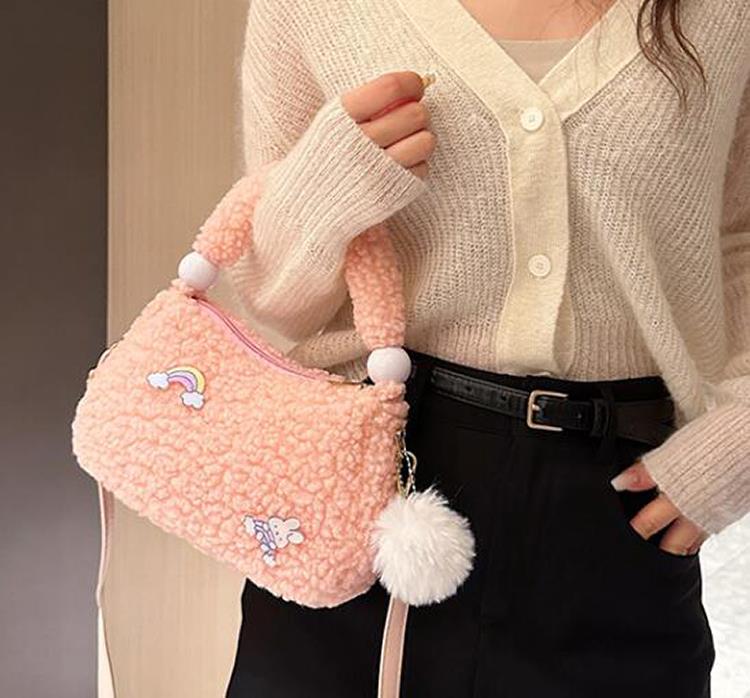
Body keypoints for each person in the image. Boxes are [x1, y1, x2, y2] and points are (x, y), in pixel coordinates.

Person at [223, 0, 749, 695]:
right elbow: (274, 299)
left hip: (616, 507)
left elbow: (739, 236)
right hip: (363, 488)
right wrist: (326, 188)